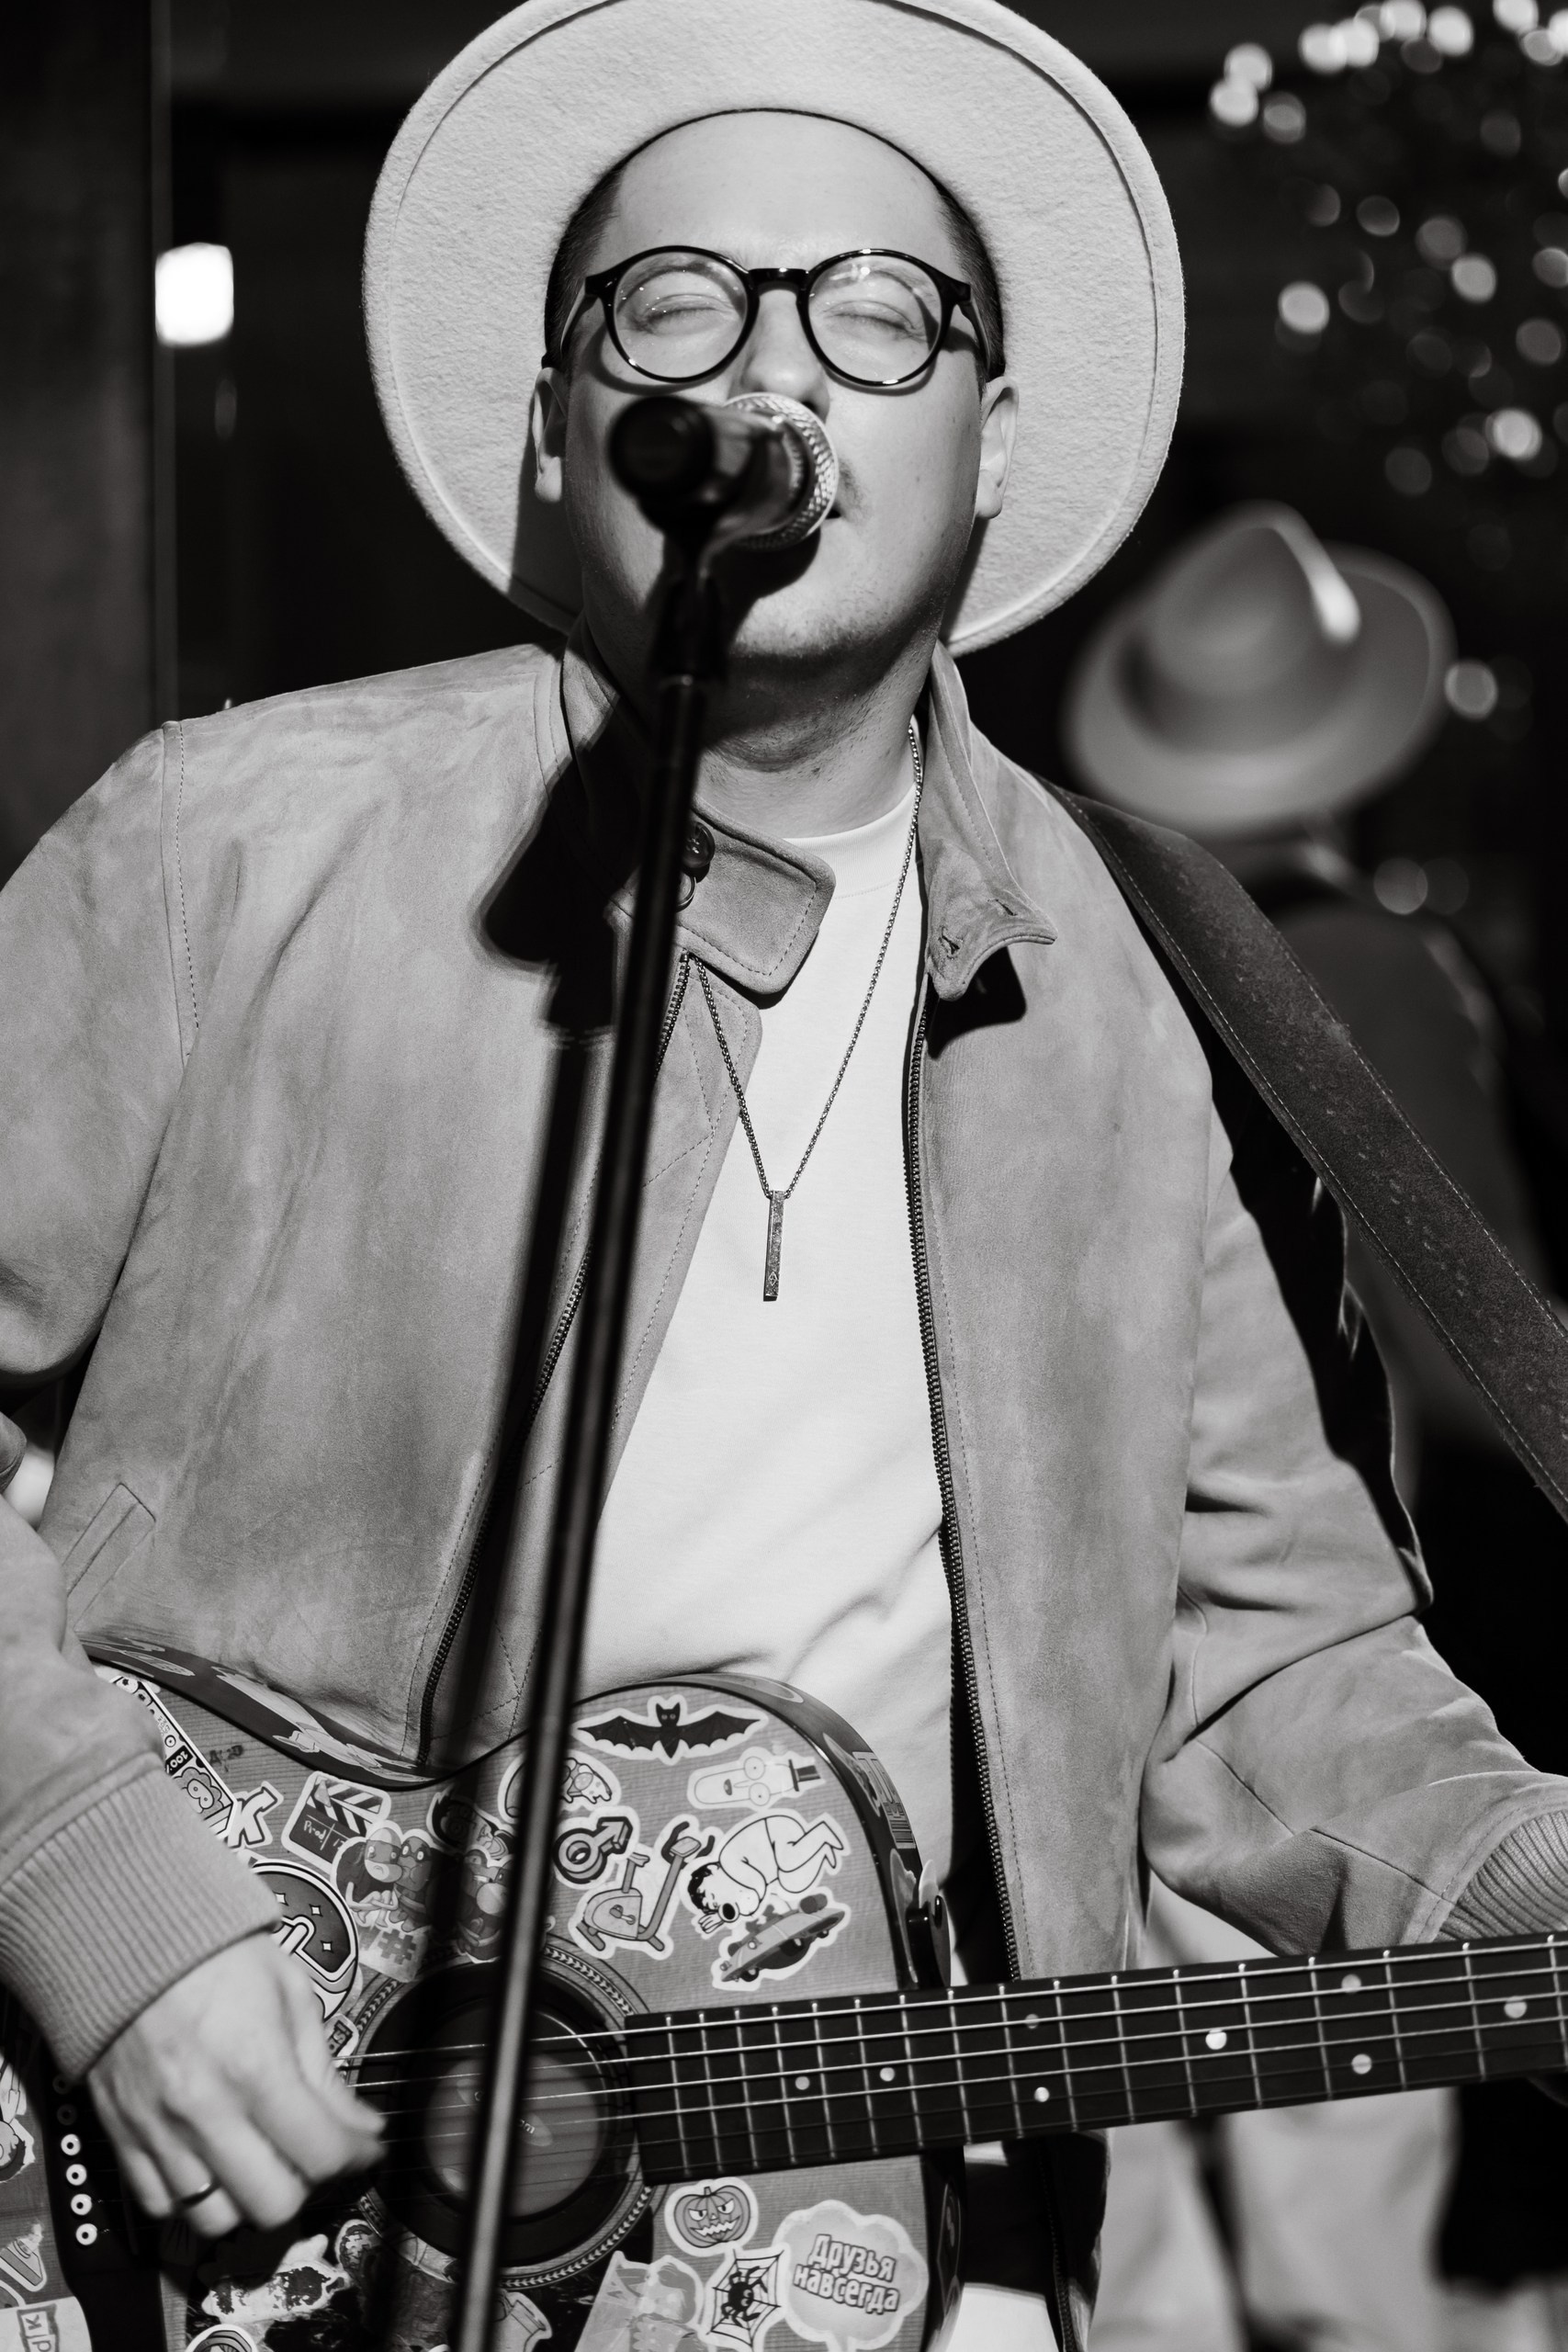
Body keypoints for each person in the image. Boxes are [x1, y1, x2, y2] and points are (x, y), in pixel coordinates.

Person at [2, 8, 1568, 2349]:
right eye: (673, 305)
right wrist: (105, 1900)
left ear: (990, 429)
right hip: (227, 2225)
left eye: (871, 311)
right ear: (564, 424)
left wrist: (1528, 1881)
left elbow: (1271, 1668)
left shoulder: (1152, 986)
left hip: (895, 2248)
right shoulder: (231, 845)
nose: (769, 372)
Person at [1065, 503, 1557, 2351]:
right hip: (1335, 1604)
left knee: (1155, 2179)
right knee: (1353, 2159)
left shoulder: (1107, 951)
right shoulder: (1363, 961)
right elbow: (1469, 1320)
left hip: (1124, 1609)